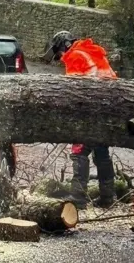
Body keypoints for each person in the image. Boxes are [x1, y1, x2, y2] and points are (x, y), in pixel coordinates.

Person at [42, 31, 118, 209]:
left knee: (79, 152)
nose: (60, 57)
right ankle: (108, 197)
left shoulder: (75, 56)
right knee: (101, 153)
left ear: (64, 46)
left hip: (90, 110)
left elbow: (74, 92)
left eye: (59, 53)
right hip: (108, 108)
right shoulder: (92, 52)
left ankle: (78, 198)